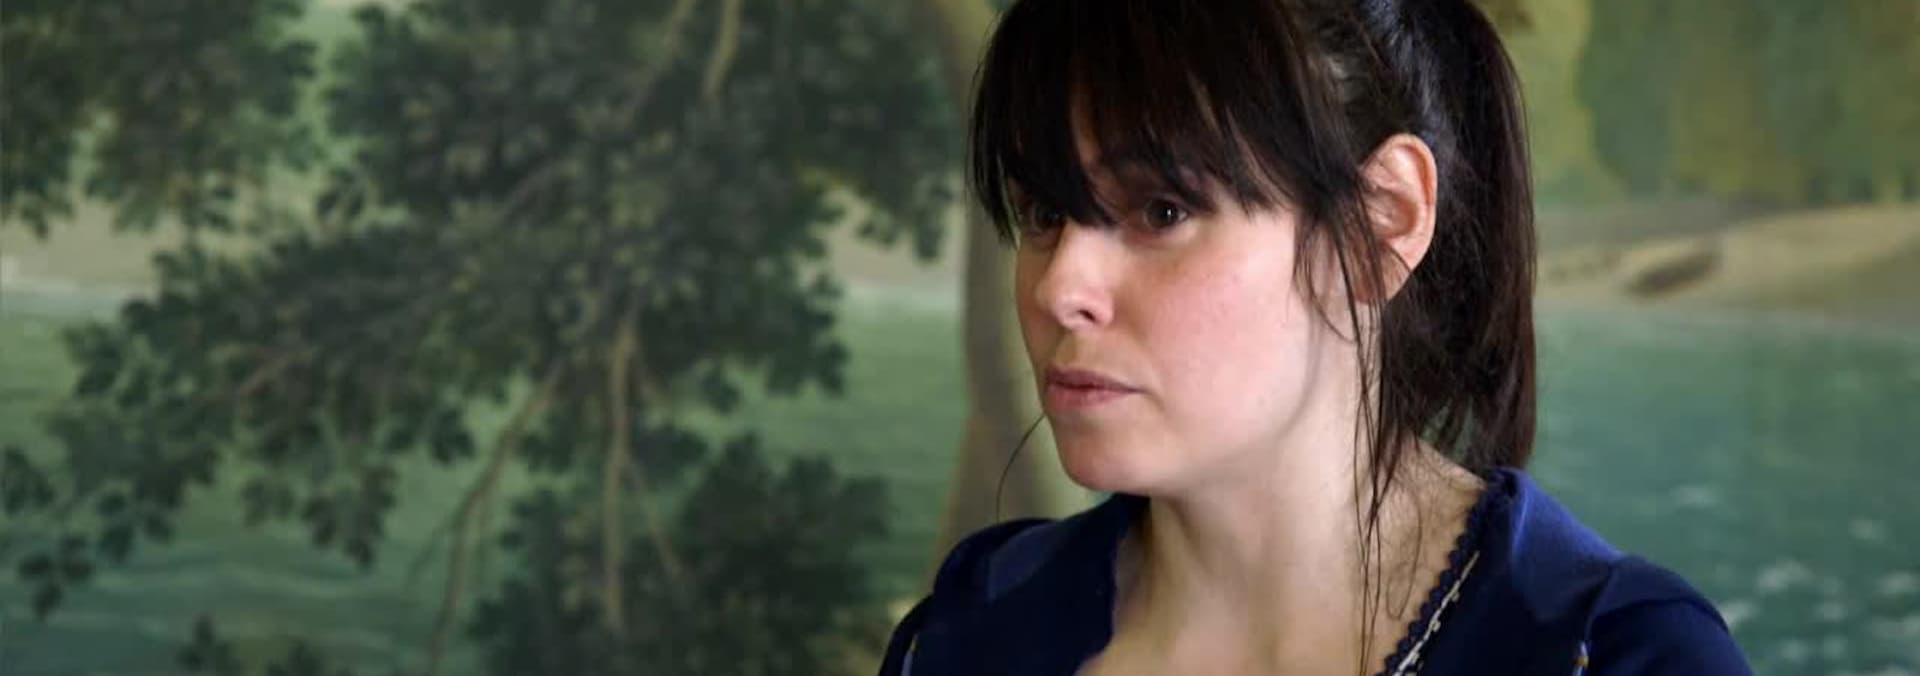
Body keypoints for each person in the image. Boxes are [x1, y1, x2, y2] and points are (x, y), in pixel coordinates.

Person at [878, 0, 1753, 674]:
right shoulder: (969, 635)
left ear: (1381, 224)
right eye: (1042, 212)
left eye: (1162, 210)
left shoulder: (1621, 656)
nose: (1058, 288)